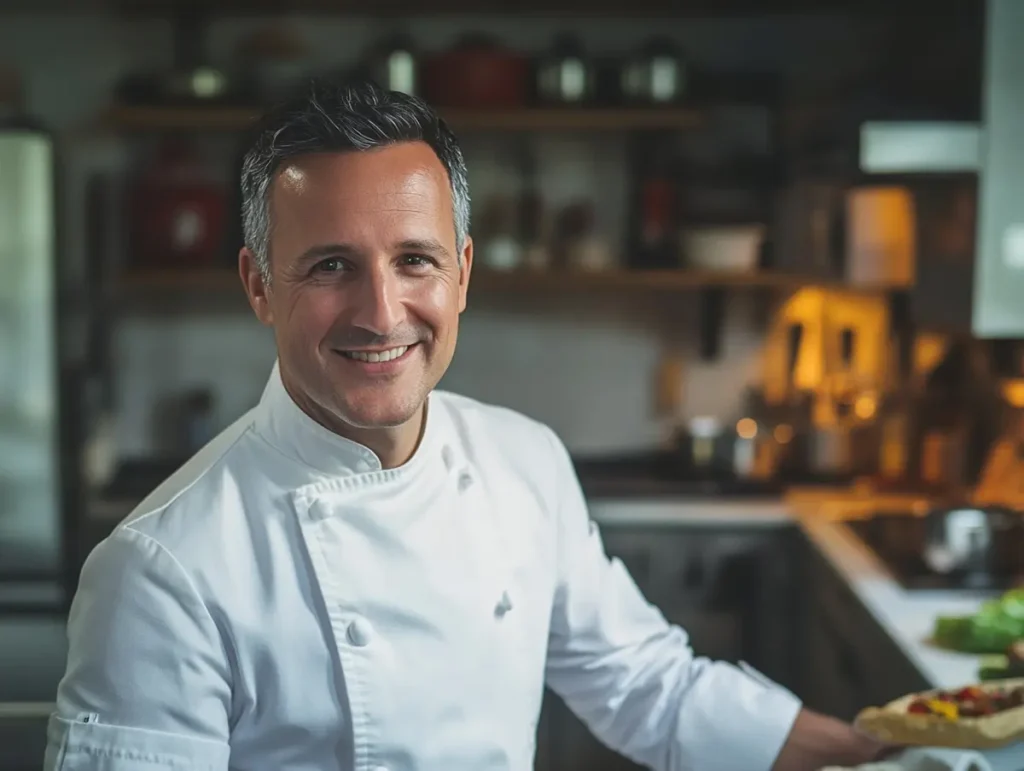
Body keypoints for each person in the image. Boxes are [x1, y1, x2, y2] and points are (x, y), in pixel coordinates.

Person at [45, 79, 890, 771]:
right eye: (331, 265)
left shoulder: (522, 461)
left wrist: (883, 756)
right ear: (259, 285)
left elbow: (647, 685)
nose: (383, 313)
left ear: (464, 273)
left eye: (415, 259)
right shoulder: (159, 571)